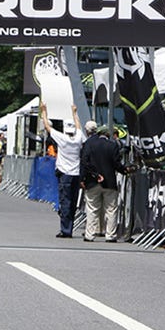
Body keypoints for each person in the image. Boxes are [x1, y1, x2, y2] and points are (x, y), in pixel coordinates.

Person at [80, 119, 133, 242]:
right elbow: (116, 164)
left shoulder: (89, 144)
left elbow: (84, 162)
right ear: (108, 135)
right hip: (109, 181)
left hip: (92, 182)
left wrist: (88, 176)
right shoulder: (112, 145)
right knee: (111, 209)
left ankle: (90, 234)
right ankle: (110, 235)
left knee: (92, 208)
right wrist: (125, 170)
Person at [40, 103, 85, 238]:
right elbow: (78, 127)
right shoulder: (78, 138)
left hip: (64, 173)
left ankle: (66, 229)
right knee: (72, 201)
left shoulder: (63, 139)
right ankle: (69, 226)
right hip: (75, 173)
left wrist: (44, 111)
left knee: (65, 201)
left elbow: (48, 127)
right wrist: (74, 113)